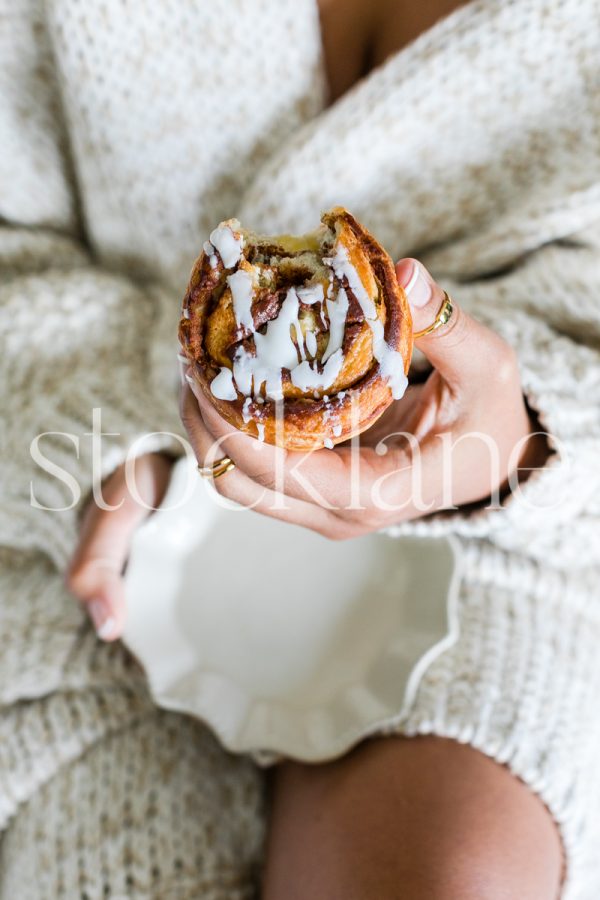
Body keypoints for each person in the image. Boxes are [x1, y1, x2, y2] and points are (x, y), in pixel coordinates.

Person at [1, 0, 599, 896]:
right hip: (90, 517)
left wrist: (522, 435)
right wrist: (101, 431)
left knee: (443, 877)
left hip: (514, 533)